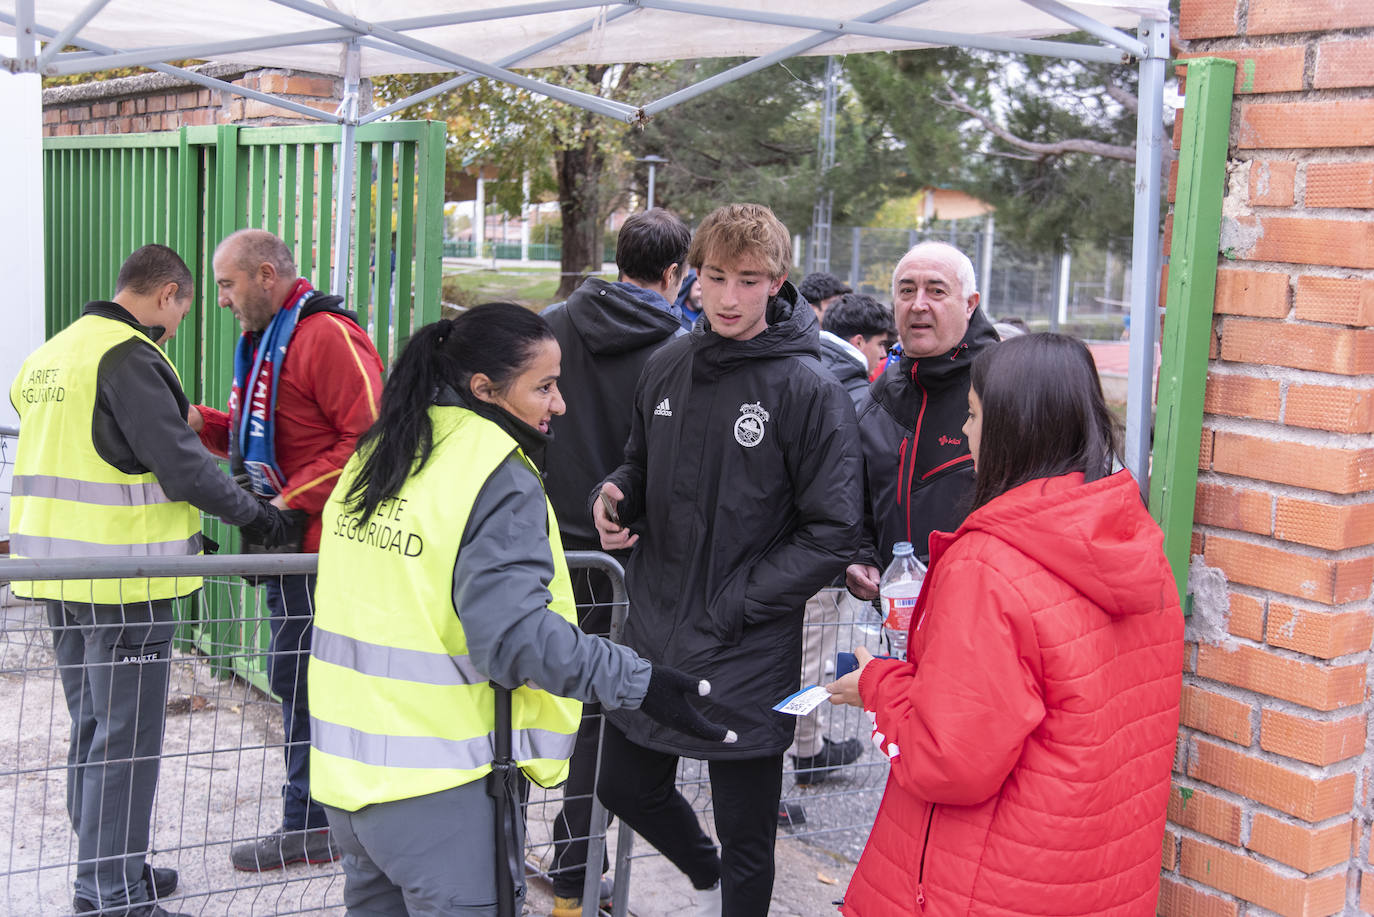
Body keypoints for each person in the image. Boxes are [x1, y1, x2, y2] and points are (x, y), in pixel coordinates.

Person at [306, 303, 733, 917]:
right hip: (439, 792)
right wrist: (639, 680)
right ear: (485, 389)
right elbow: (513, 640)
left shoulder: (385, 450)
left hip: (349, 780)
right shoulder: (491, 472)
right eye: (545, 387)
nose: (559, 404)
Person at [826, 333, 1183, 916]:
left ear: (1016, 427)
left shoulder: (990, 563)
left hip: (984, 881)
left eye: (972, 415)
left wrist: (876, 686)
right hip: (1090, 875)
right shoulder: (1134, 543)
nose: (966, 434)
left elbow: (949, 761)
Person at [8, 244, 294, 917]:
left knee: (93, 728)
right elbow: (185, 468)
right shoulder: (130, 356)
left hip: (58, 573)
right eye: (185, 309)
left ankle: (112, 871)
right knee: (126, 740)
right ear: (168, 294)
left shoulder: (53, 353)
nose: (180, 322)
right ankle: (111, 893)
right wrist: (261, 517)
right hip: (127, 583)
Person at [592, 203, 862, 917]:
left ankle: (727, 878)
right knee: (623, 783)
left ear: (778, 282)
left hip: (747, 642)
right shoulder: (666, 364)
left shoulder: (810, 387)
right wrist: (615, 493)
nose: (731, 297)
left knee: (748, 839)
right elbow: (636, 466)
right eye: (716, 277)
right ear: (693, 279)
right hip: (656, 628)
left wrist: (739, 602)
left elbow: (833, 530)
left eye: (750, 279)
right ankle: (698, 864)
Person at [189, 228, 384, 871]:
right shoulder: (266, 342)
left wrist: (282, 504)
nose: (221, 299)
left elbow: (370, 439)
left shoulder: (324, 335)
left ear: (266, 275)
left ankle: (310, 826)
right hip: (291, 543)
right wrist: (200, 424)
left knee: (305, 683)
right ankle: (316, 820)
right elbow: (257, 434)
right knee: (295, 679)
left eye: (226, 284)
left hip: (324, 550)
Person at [540, 207, 691, 917]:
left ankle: (518, 854)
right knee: (601, 716)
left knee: (518, 696)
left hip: (545, 545)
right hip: (625, 562)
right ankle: (576, 865)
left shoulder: (553, 325)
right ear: (675, 273)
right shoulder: (682, 349)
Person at [785, 291, 897, 795]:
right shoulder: (851, 390)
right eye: (881, 347)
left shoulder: (800, 362)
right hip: (821, 555)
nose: (882, 358)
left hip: (789, 550)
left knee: (804, 654)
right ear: (859, 342)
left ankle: (806, 748)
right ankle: (801, 755)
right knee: (809, 661)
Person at [846, 242, 999, 610]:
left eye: (936, 290)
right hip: (898, 614)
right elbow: (858, 496)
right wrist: (861, 553)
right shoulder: (882, 394)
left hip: (984, 613)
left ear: (970, 303)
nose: (918, 304)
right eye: (907, 291)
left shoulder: (1002, 388)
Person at [818, 292, 896, 401]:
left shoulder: (801, 374)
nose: (883, 353)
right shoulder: (864, 401)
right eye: (880, 344)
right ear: (859, 342)